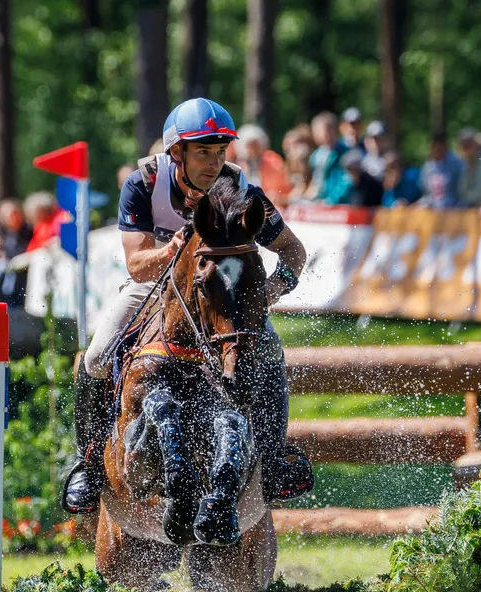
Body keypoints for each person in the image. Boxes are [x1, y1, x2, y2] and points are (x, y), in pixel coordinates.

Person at [61, 97, 313, 515]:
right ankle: (89, 462)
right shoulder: (142, 184)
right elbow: (137, 264)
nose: (214, 162)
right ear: (176, 151)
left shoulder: (240, 191)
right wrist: (172, 250)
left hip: (219, 298)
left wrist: (266, 294)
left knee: (270, 351)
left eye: (219, 151)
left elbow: (294, 252)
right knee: (96, 356)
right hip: (155, 286)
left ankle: (274, 458)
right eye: (203, 152)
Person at [235, 123, 291, 206]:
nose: (252, 150)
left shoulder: (273, 161)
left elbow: (285, 189)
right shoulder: (238, 165)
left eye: (255, 145)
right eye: (248, 146)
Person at [0, 198, 33, 307]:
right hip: (10, 276)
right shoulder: (6, 234)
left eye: (12, 214)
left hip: (25, 275)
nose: (9, 218)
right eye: (5, 216)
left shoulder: (29, 230)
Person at [305, 112, 350, 202]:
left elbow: (347, 182)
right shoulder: (316, 156)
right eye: (318, 131)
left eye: (326, 130)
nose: (322, 134)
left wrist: (330, 201)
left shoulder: (346, 153)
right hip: (320, 203)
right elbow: (316, 183)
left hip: (339, 204)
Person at [419, 133, 464, 205]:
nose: (437, 151)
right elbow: (424, 190)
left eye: (440, 148)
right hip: (431, 205)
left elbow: (460, 189)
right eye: (435, 148)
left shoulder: (455, 165)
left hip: (452, 205)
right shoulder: (427, 168)